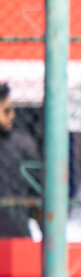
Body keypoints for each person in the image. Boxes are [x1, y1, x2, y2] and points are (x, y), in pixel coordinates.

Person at [0, 84, 39, 237]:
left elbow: (37, 188)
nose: (12, 115)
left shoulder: (21, 144)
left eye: (12, 109)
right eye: (6, 111)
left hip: (16, 230)